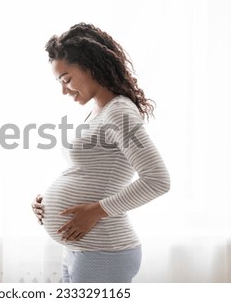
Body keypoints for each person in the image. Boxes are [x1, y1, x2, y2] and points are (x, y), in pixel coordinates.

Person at [31, 23, 170, 283]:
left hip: (104, 251)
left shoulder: (118, 112)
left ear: (90, 66)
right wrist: (46, 203)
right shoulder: (99, 111)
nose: (64, 90)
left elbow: (157, 180)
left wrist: (95, 211)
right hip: (81, 249)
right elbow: (89, 172)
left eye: (67, 79)